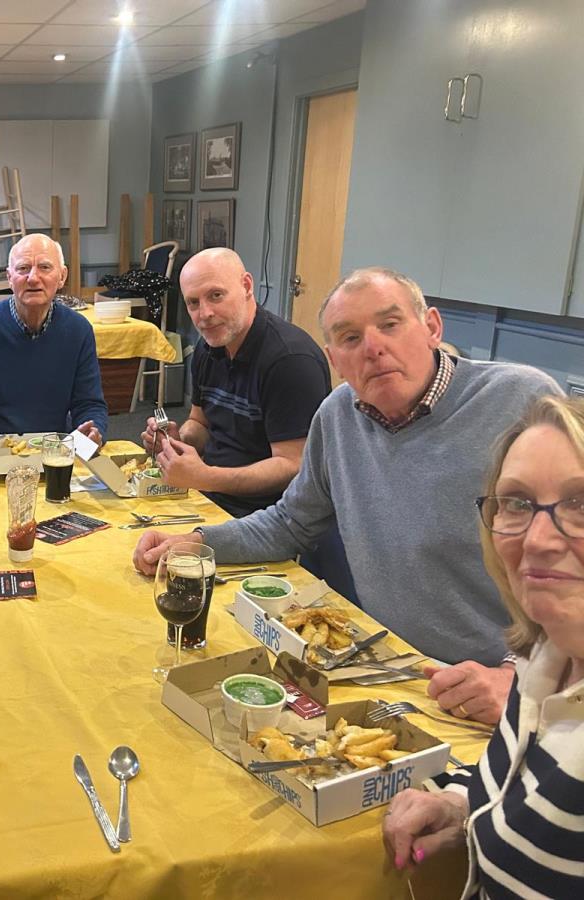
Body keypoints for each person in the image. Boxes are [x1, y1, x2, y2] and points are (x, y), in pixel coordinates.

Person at [133, 267, 561, 723]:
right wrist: (197, 542)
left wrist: (522, 675)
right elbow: (290, 523)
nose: (373, 348)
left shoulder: (521, 402)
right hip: (387, 668)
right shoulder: (336, 417)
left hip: (499, 688)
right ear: (334, 358)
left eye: (390, 324)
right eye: (350, 337)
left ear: (432, 327)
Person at [382, 394, 584, 898]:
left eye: (581, 503)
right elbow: (520, 775)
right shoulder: (546, 657)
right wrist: (464, 803)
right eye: (517, 503)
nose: (536, 540)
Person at [141, 247, 330, 517]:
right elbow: (200, 423)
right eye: (193, 303)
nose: (205, 313)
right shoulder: (208, 347)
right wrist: (176, 441)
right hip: (211, 496)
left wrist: (206, 477)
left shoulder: (290, 361)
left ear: (247, 286)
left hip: (270, 517)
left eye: (216, 295)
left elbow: (293, 465)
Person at [0, 233, 107, 445]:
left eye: (44, 267)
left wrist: (93, 431)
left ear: (62, 276)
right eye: (23, 268)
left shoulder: (78, 330)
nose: (33, 278)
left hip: (54, 451)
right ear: (9, 278)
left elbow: (89, 404)